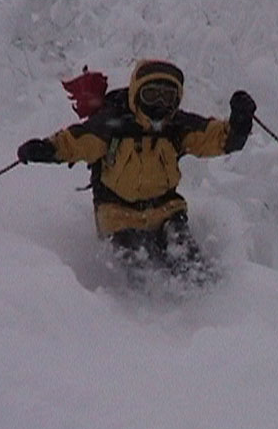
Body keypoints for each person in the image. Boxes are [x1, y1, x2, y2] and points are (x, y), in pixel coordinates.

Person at [17, 59, 256, 285]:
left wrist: (239, 125)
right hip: (117, 214)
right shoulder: (112, 125)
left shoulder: (177, 126)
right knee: (136, 272)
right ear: (136, 94)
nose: (159, 105)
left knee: (188, 260)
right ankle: (135, 310)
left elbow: (216, 138)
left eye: (167, 98)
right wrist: (46, 149)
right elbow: (75, 142)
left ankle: (210, 301)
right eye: (150, 95)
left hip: (166, 210)